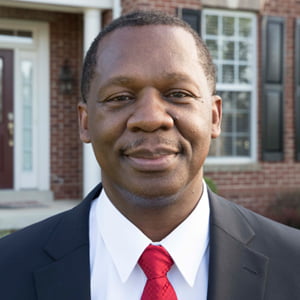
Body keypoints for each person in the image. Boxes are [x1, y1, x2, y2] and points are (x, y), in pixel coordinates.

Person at [0, 10, 299, 300]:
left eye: (178, 93)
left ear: (214, 117)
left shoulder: (293, 263)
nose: (151, 118)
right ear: (85, 122)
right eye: (120, 97)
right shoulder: (8, 268)